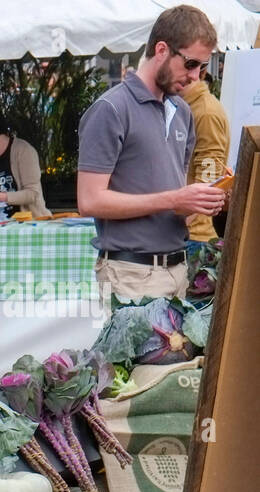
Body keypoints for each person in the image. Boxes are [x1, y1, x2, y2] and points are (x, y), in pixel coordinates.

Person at [77, 4, 225, 301]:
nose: (196, 76)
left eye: (203, 67)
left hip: (179, 268)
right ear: (161, 50)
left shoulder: (182, 111)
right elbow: (89, 200)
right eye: (190, 63)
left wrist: (205, 198)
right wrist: (174, 198)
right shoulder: (111, 109)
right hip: (130, 272)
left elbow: (173, 199)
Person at [181, 74, 229, 246]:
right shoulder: (187, 106)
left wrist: (180, 224)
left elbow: (210, 179)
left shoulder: (205, 112)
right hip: (186, 233)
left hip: (192, 236)